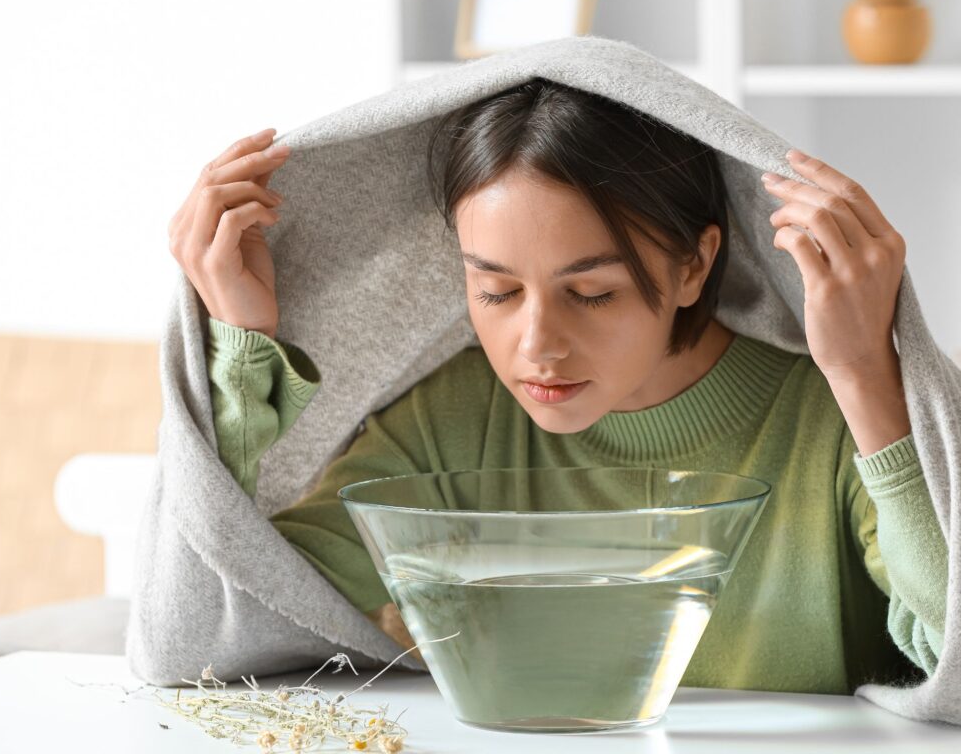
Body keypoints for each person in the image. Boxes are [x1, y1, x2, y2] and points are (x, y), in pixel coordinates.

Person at [168, 78, 947, 694]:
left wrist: (865, 373)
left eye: (593, 292)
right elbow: (209, 631)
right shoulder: (456, 419)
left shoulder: (830, 420)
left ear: (693, 265)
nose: (535, 347)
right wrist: (240, 350)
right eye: (497, 293)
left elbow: (950, 654)